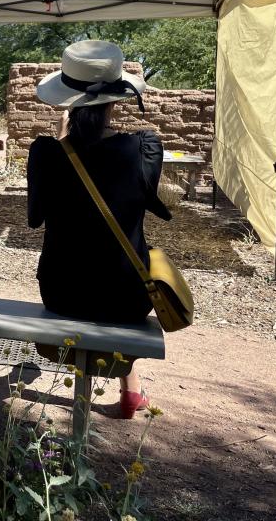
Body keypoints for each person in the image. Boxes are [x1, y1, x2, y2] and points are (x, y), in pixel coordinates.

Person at [26, 39, 171, 419]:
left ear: (67, 103)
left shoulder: (46, 154)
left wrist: (62, 143)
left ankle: (95, 396)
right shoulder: (142, 149)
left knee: (83, 267)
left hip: (62, 290)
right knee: (112, 268)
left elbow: (35, 217)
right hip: (126, 295)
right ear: (114, 102)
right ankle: (131, 392)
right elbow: (150, 202)